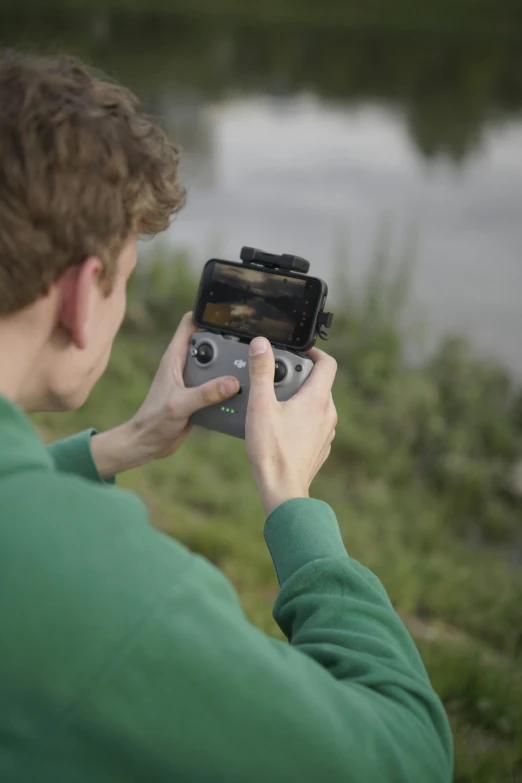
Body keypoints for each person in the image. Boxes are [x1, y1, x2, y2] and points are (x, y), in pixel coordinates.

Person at [0, 50, 453, 783]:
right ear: (83, 296)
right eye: (128, 277)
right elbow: (405, 755)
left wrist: (116, 447)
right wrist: (292, 500)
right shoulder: (119, 597)